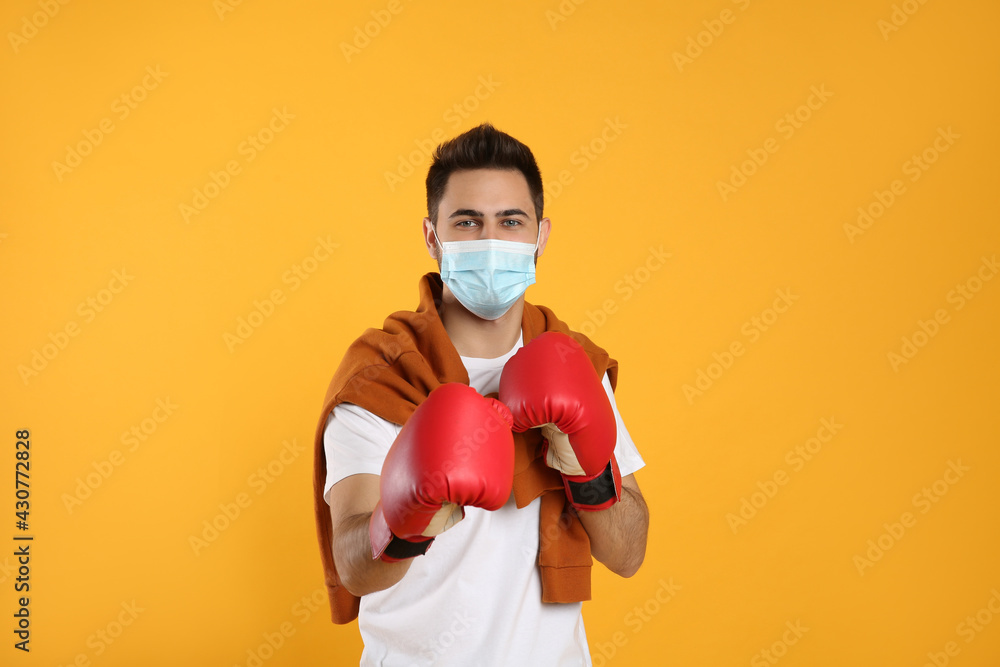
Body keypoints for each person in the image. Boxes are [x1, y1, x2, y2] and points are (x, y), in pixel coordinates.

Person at [312, 123, 649, 666]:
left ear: (540, 236)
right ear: (432, 237)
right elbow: (354, 567)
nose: (490, 240)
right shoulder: (381, 378)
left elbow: (628, 554)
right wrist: (405, 516)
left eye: (510, 221)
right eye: (467, 222)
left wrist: (588, 472)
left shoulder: (575, 364)